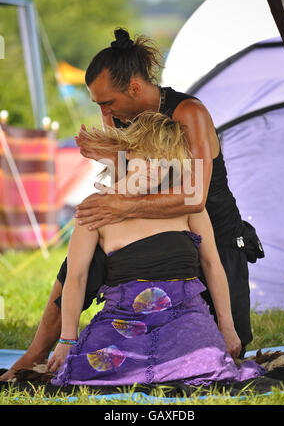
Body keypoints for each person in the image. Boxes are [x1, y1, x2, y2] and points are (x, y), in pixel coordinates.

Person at [0, 28, 256, 381]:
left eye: (107, 103)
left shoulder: (189, 114)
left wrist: (122, 208)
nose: (104, 112)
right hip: (137, 228)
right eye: (99, 105)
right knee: (74, 269)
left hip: (207, 229)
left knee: (233, 348)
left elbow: (194, 196)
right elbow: (126, 181)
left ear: (134, 89)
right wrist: (110, 162)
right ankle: (35, 354)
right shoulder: (118, 115)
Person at [48, 112, 265, 386]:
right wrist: (67, 338)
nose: (154, 168)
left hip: (185, 318)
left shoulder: (186, 205)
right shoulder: (96, 206)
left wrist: (228, 326)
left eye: (164, 162)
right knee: (84, 372)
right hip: (123, 321)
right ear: (129, 153)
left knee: (208, 363)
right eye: (147, 157)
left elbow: (212, 265)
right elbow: (76, 277)